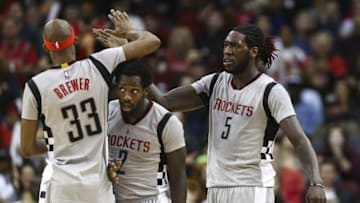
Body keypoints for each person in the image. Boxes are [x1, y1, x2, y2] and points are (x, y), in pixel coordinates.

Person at [147, 23, 326, 203]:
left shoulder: (271, 91)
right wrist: (133, 61)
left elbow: (299, 139)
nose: (227, 51)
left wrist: (316, 182)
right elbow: (166, 102)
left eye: (235, 46)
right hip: (215, 186)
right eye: (226, 45)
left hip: (252, 188)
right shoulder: (215, 82)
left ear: (253, 51)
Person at [20, 9, 160, 203]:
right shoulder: (99, 64)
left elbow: (27, 148)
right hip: (97, 184)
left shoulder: (35, 86)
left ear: (45, 47)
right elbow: (152, 42)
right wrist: (129, 31)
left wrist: (60, 142)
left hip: (60, 184)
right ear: (75, 39)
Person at [107, 61, 187, 203]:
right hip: (112, 197)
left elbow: (178, 175)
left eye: (134, 90)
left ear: (146, 91)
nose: (126, 96)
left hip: (150, 198)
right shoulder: (108, 111)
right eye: (122, 89)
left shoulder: (165, 122)